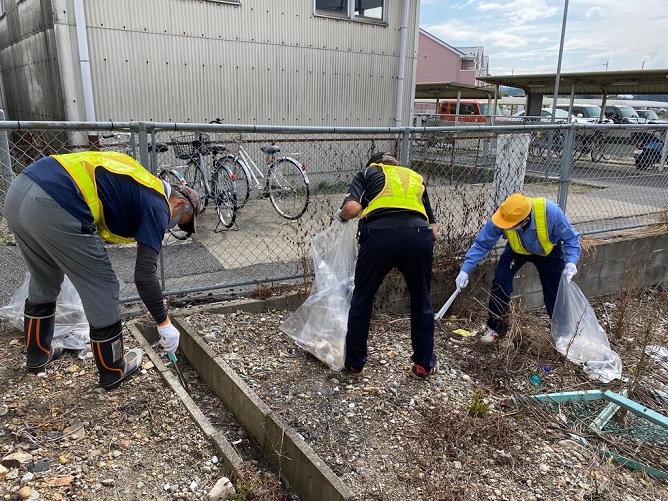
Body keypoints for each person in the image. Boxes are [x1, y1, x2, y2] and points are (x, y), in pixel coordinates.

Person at [4, 151, 201, 389]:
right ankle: (113, 368)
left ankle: (38, 355)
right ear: (179, 202)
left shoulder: (140, 182)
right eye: (181, 219)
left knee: (45, 276)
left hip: (18, 193)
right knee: (104, 285)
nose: (174, 225)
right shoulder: (158, 204)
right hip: (57, 202)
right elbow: (145, 274)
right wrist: (164, 323)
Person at [335, 152, 439, 380]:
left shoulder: (367, 172)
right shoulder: (414, 177)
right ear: (396, 165)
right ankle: (423, 365)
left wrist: (341, 217)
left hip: (380, 235)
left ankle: (354, 364)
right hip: (420, 235)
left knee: (363, 297)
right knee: (421, 298)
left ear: (374, 163)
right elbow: (434, 230)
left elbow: (352, 209)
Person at [455, 193, 580, 343]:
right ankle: (495, 328)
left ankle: (562, 333)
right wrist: (465, 269)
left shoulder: (551, 212)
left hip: (548, 252)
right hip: (516, 251)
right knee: (500, 282)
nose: (503, 227)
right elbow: (483, 243)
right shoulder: (504, 215)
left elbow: (571, 239)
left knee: (555, 290)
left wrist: (571, 261)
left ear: (525, 220)